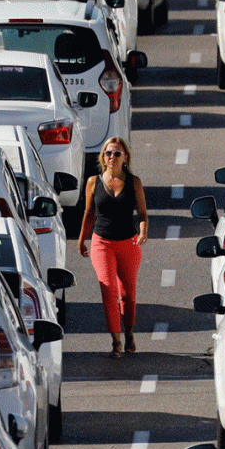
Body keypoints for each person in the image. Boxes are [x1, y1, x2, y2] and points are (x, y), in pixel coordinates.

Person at [76, 138, 148, 358]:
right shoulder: (93, 182)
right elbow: (89, 213)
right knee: (108, 290)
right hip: (102, 242)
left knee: (128, 294)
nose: (112, 157)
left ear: (125, 157)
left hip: (129, 242)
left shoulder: (134, 182)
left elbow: (142, 214)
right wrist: (81, 239)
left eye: (117, 154)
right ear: (103, 157)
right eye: (108, 153)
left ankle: (129, 333)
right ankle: (116, 340)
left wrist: (143, 232)